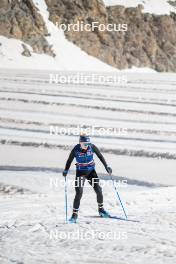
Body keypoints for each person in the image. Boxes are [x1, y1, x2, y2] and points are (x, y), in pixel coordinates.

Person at [63, 133, 112, 222]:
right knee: (79, 192)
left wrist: (107, 166)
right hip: (80, 173)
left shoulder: (92, 147)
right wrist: (66, 170)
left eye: (88, 144)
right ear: (80, 143)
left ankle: (101, 210)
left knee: (99, 190)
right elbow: (69, 160)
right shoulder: (76, 149)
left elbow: (100, 156)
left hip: (91, 172)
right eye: (85, 144)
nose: (87, 145)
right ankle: (74, 215)